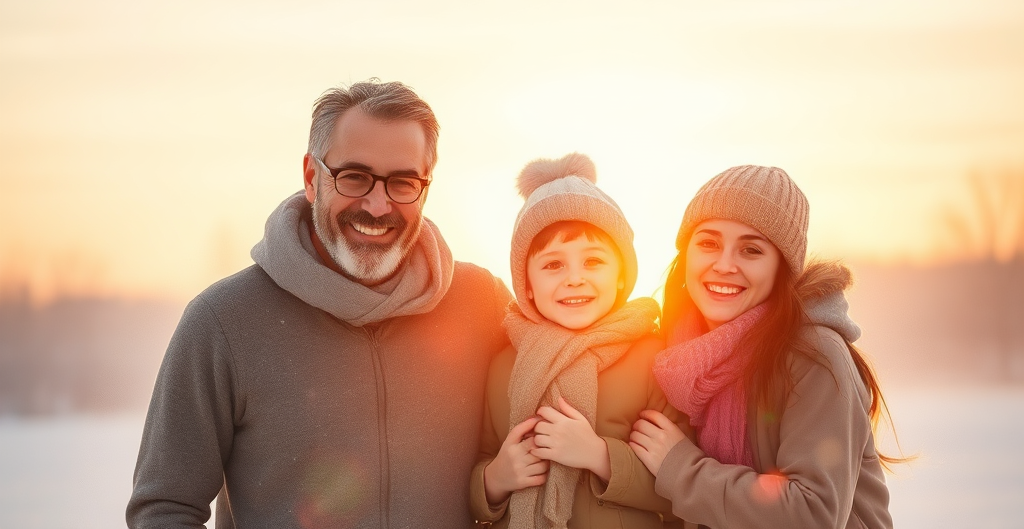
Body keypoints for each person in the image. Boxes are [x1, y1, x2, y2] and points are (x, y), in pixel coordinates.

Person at [127, 80, 512, 528]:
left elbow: (584, 357)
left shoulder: (481, 305)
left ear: (425, 189)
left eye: (403, 182)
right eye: (354, 177)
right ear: (312, 177)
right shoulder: (223, 322)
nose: (377, 204)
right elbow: (164, 507)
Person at [629, 165, 896, 529]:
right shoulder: (674, 360)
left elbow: (812, 514)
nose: (724, 265)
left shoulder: (815, 356)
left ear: (780, 269)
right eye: (708, 242)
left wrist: (681, 468)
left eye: (751, 250)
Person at [469, 152, 681, 528]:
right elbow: (483, 458)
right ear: (527, 285)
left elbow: (680, 486)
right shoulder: (505, 362)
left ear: (621, 274)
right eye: (553, 265)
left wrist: (599, 456)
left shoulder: (653, 356)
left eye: (594, 261)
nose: (574, 279)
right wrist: (494, 480)